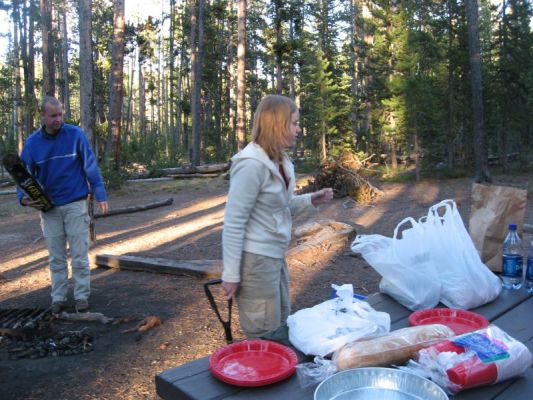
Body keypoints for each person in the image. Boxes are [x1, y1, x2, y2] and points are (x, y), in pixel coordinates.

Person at [221, 94, 334, 338]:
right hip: (255, 261)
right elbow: (233, 223)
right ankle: (265, 373)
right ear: (278, 124)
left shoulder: (280, 161)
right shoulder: (251, 165)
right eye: (294, 123)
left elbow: (277, 207)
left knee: (281, 321)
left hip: (274, 257)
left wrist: (311, 199)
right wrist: (231, 274)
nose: (298, 129)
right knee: (264, 331)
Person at [17, 96, 109, 314]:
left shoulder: (75, 135)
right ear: (43, 117)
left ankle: (81, 297)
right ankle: (58, 298)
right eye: (53, 116)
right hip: (48, 207)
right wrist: (22, 197)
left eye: (60, 114)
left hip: (76, 203)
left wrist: (101, 194)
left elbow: (90, 166)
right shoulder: (32, 144)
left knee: (79, 254)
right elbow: (22, 175)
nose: (58, 119)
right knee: (56, 256)